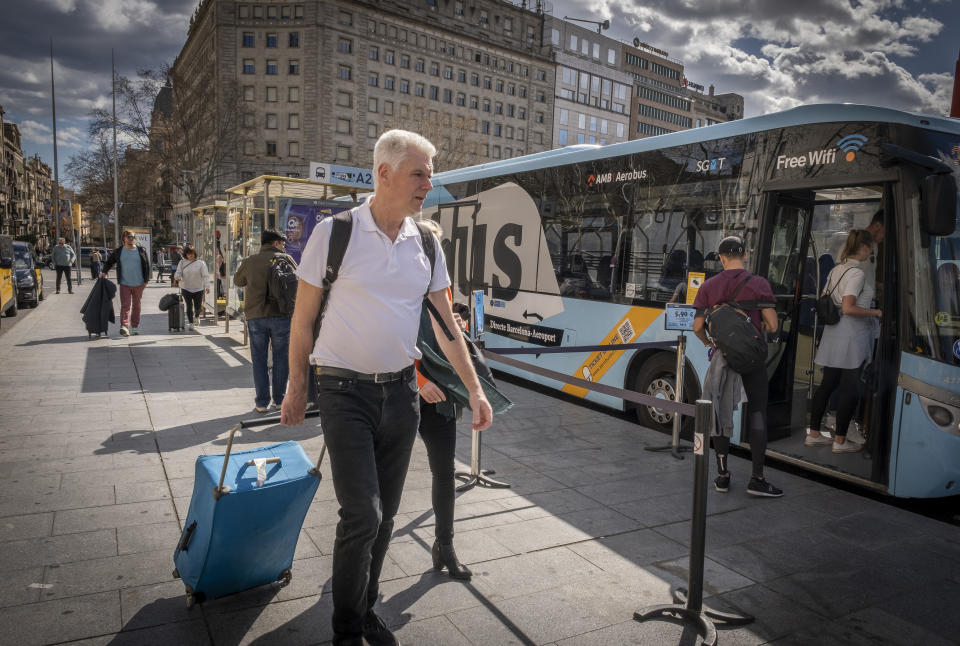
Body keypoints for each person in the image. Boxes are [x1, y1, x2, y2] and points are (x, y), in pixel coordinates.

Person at [281, 129, 493, 646]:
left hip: (402, 394)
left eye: (429, 172)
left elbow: (449, 326)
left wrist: (476, 389)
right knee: (363, 513)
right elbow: (302, 321)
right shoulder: (335, 234)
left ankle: (366, 605)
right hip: (343, 392)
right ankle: (347, 628)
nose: (429, 182)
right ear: (385, 173)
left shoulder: (426, 242)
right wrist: (294, 387)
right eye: (419, 172)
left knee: (387, 515)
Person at [692, 235, 784, 498]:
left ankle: (722, 475)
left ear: (721, 258)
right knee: (757, 413)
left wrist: (710, 341)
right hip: (753, 358)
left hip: (723, 357)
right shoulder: (759, 284)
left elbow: (697, 326)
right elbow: (773, 325)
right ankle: (757, 478)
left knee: (721, 412)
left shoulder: (709, 286)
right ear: (744, 255)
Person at [804, 230, 881, 453]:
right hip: (851, 338)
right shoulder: (856, 273)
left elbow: (824, 298)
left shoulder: (837, 269)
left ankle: (814, 434)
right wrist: (875, 312)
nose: (871, 252)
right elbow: (848, 307)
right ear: (865, 247)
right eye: (871, 248)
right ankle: (840, 440)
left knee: (827, 384)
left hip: (832, 335)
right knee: (850, 388)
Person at [234, 229, 295, 413]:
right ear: (275, 243)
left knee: (259, 359)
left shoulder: (250, 261)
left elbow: (238, 281)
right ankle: (279, 400)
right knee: (281, 358)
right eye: (282, 242)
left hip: (256, 316)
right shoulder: (287, 259)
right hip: (282, 315)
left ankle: (261, 402)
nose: (284, 245)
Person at [100, 230, 151, 336]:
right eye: (129, 237)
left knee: (137, 305)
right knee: (125, 305)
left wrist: (146, 280)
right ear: (124, 238)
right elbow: (109, 262)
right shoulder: (119, 251)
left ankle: (135, 326)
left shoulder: (141, 250)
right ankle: (124, 326)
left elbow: (147, 265)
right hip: (125, 283)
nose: (131, 239)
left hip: (139, 283)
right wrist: (104, 272)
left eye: (133, 237)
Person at [174, 244, 210, 331]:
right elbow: (178, 272)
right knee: (189, 306)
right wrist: (177, 277)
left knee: (198, 307)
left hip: (199, 288)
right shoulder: (182, 263)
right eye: (188, 253)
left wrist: (207, 286)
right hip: (186, 288)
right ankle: (191, 323)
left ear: (195, 254)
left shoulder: (201, 263)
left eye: (192, 253)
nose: (190, 255)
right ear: (185, 254)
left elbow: (205, 276)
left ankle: (197, 316)